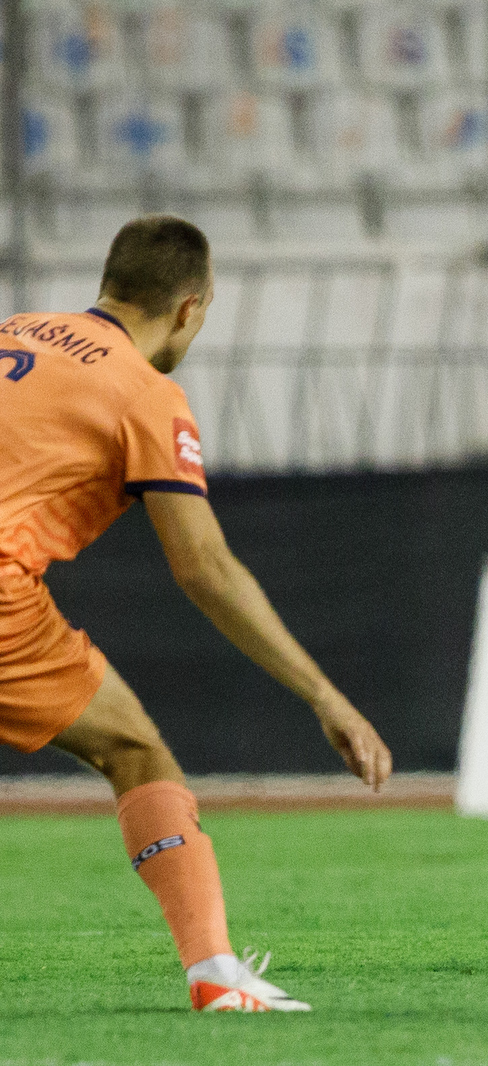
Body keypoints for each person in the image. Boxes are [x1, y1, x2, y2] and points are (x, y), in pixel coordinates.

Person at [0, 216, 392, 1009]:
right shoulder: (147, 394)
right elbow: (205, 569)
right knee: (137, 752)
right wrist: (325, 695)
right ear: (190, 310)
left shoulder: (16, 328)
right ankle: (214, 972)